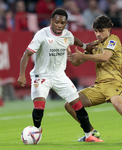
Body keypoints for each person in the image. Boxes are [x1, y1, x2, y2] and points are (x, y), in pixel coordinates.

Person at [17, 8, 103, 142]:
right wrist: (22, 75)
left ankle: (88, 135)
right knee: (39, 107)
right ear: (51, 21)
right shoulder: (42, 34)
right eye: (56, 22)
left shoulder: (67, 35)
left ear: (65, 23)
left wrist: (86, 46)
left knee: (78, 105)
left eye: (62, 23)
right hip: (41, 76)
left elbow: (73, 40)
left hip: (59, 76)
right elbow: (26, 54)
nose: (59, 25)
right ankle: (37, 131)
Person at [65, 15, 122, 142]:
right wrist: (72, 57)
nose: (98, 34)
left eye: (101, 31)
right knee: (70, 105)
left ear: (109, 29)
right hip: (99, 86)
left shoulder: (113, 39)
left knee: (118, 104)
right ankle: (92, 132)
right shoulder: (95, 44)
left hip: (113, 83)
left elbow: (105, 57)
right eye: (96, 31)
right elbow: (77, 63)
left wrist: (84, 56)